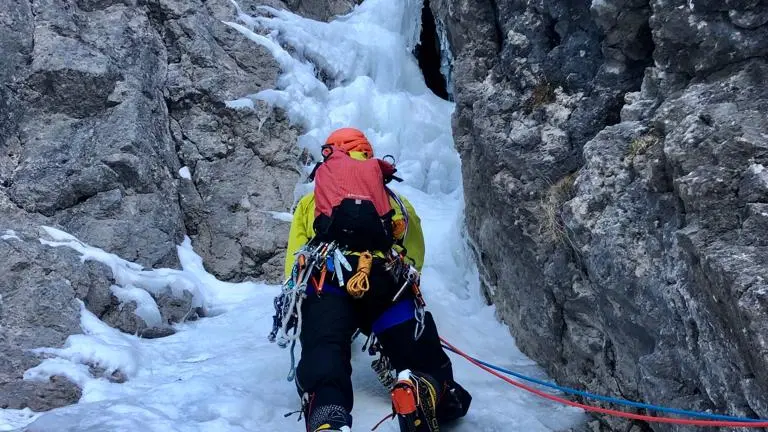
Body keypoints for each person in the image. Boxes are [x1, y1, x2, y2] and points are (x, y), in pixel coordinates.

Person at [283, 128, 471, 432]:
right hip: (387, 284)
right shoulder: (394, 200)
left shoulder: (312, 201)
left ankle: (328, 417)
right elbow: (414, 256)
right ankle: (423, 388)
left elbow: (294, 264)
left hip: (327, 283)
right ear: (367, 155)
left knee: (325, 349)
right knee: (422, 360)